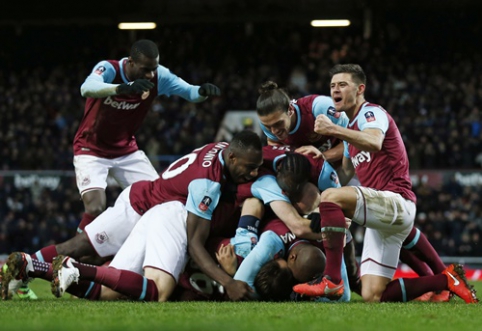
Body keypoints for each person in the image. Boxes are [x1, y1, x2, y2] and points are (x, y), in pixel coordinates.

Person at [1, 131, 262, 301]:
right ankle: (14, 273)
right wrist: (228, 282)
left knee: (110, 292)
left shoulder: (222, 148)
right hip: (143, 206)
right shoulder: (208, 183)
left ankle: (30, 265)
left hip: (156, 207)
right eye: (250, 168)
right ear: (232, 156)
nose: (253, 174)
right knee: (80, 247)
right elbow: (194, 243)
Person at [292, 64, 478, 304]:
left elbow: (375, 141)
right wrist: (319, 156)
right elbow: (347, 173)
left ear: (360, 89)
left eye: (342, 85)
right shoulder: (349, 130)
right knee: (372, 295)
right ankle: (446, 279)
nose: (335, 90)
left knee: (330, 196)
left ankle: (332, 279)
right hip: (382, 217)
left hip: (396, 201)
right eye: (332, 86)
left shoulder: (372, 113)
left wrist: (333, 130)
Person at [74, 38, 220, 233]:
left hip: (125, 151)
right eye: (145, 69)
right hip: (90, 148)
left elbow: (190, 92)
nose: (150, 74)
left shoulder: (160, 76)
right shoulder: (110, 69)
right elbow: (87, 88)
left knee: (161, 201)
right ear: (131, 62)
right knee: (95, 208)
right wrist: (121, 88)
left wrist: (202, 91)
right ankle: (72, 257)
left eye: (153, 68)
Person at [256, 81, 348, 164]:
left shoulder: (320, 107)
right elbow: (273, 142)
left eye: (278, 123)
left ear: (290, 110)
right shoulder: (268, 122)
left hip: (346, 163)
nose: (274, 131)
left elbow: (355, 135)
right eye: (268, 127)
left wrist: (321, 156)